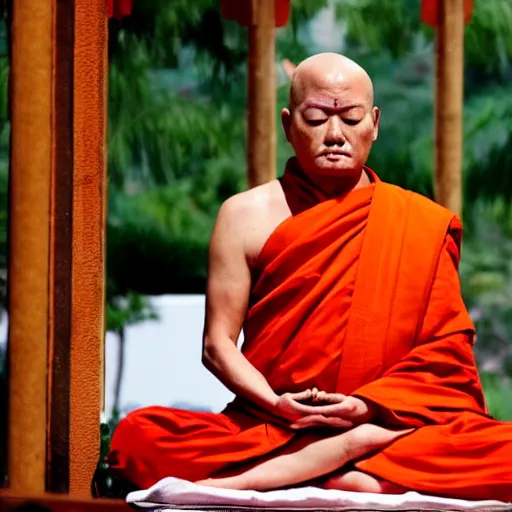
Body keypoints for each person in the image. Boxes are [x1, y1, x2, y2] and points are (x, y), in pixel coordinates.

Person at [106, 53, 512, 501]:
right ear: (288, 124)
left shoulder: (417, 223)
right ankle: (339, 466)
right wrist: (278, 404)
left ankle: (309, 468)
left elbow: (444, 358)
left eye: (351, 118)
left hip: (384, 424)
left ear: (374, 123)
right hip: (271, 426)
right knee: (140, 436)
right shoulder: (244, 215)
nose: (334, 135)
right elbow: (217, 345)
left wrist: (365, 407)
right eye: (316, 118)